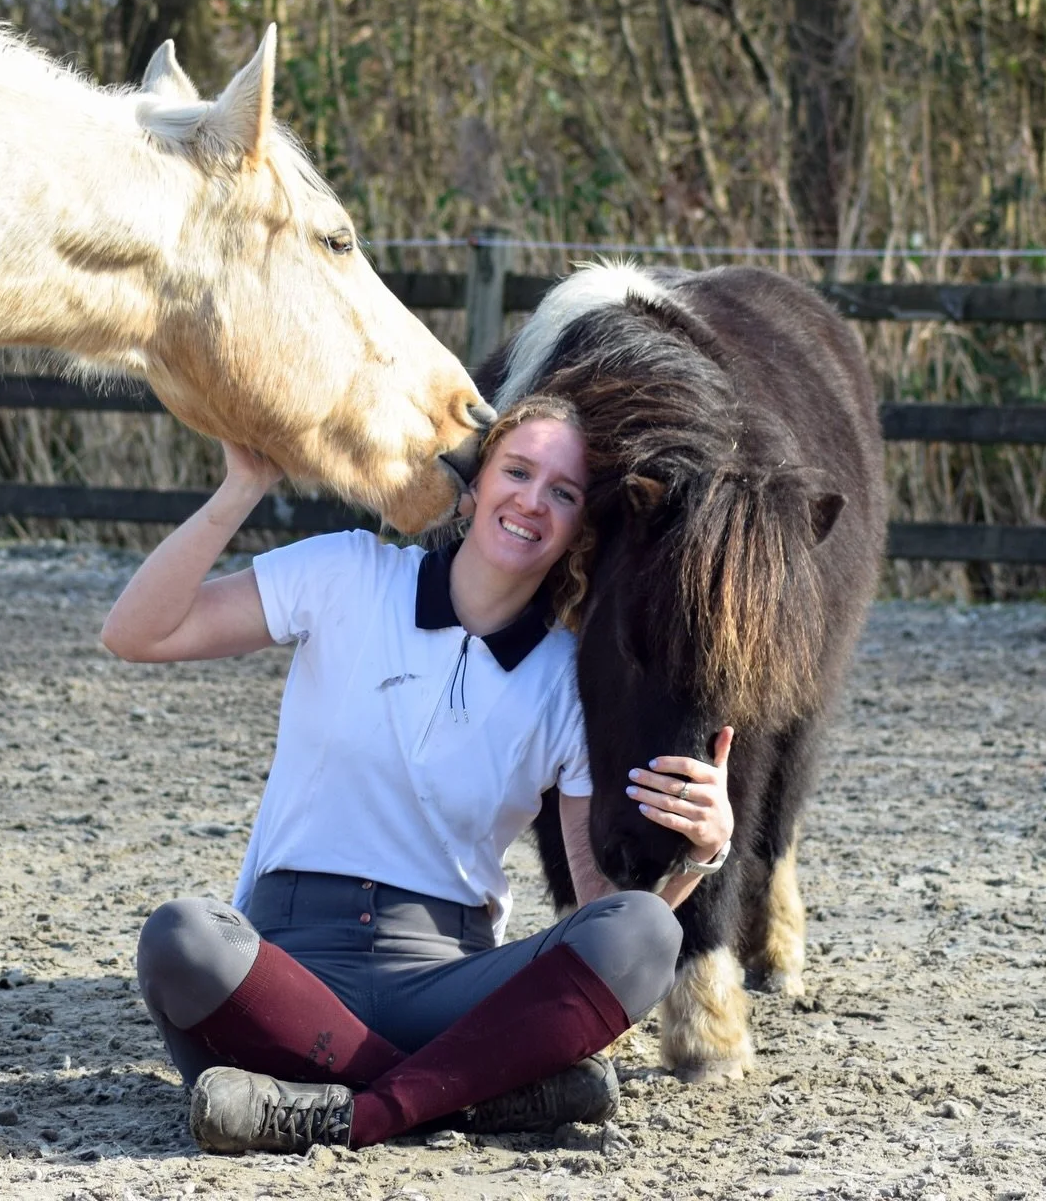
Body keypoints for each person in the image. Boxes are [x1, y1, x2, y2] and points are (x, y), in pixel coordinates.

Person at [101, 395, 734, 1154]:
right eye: (518, 471)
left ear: (578, 528)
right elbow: (137, 632)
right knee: (182, 937)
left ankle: (344, 1113)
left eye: (562, 493)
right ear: (473, 488)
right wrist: (240, 490)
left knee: (645, 930)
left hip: (450, 982)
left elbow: (602, 910)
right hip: (284, 971)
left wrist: (702, 853)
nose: (532, 500)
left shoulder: (568, 679)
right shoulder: (346, 573)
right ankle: (468, 1096)